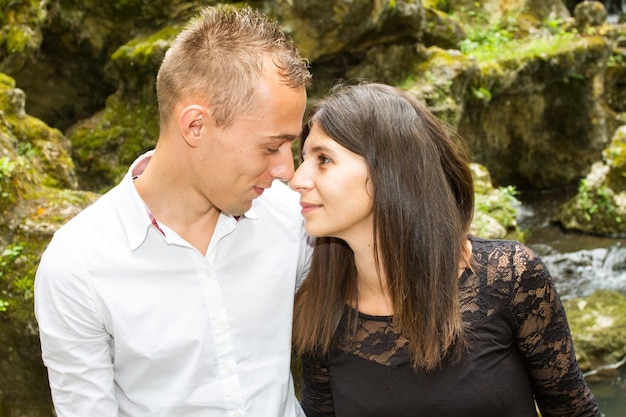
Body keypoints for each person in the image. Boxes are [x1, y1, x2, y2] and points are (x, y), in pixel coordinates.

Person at [34, 5, 313, 417]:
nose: (287, 170)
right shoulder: (77, 264)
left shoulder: (294, 219)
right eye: (271, 147)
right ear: (195, 125)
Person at [289, 82, 601, 417]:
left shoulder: (510, 276)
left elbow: (574, 412)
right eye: (303, 158)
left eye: (323, 159)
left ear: (389, 170)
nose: (297, 179)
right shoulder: (319, 308)